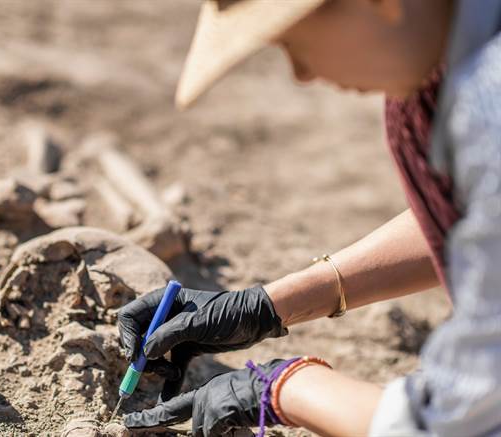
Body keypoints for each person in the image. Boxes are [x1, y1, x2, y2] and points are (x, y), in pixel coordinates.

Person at [118, 1, 501, 436]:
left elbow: (455, 423)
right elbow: (478, 221)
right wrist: (269, 305)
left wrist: (283, 387)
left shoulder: (488, 110)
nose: (301, 72)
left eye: (290, 39)